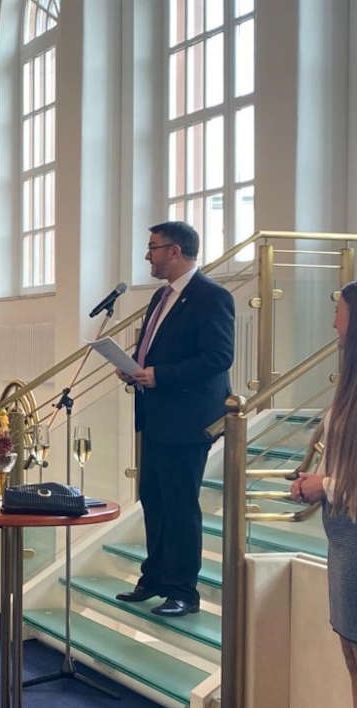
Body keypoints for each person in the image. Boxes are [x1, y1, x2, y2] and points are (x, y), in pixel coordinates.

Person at [115, 221, 234, 617]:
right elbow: (157, 348)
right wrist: (135, 368)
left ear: (176, 251)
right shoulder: (160, 297)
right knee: (154, 498)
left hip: (187, 419)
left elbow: (218, 358)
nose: (147, 254)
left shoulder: (211, 297)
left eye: (153, 247)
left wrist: (160, 375)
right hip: (155, 414)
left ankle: (184, 591)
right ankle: (155, 578)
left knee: (181, 505)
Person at [289, 275, 357, 708]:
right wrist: (311, 480)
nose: (333, 319)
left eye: (339, 310)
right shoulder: (352, 385)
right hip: (344, 535)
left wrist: (327, 484)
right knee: (354, 661)